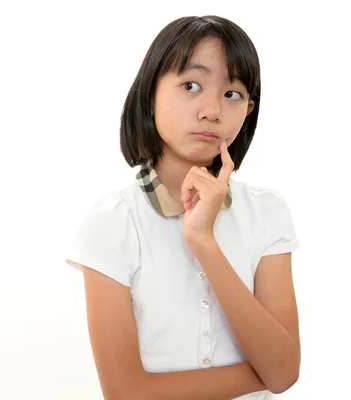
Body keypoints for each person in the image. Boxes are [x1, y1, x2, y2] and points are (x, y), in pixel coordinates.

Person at [65, 15, 302, 400]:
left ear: (248, 109)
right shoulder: (111, 222)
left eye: (232, 94)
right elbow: (125, 393)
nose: (212, 110)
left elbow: (285, 372)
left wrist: (203, 242)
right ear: (150, 93)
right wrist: (265, 370)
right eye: (191, 85)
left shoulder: (267, 212)